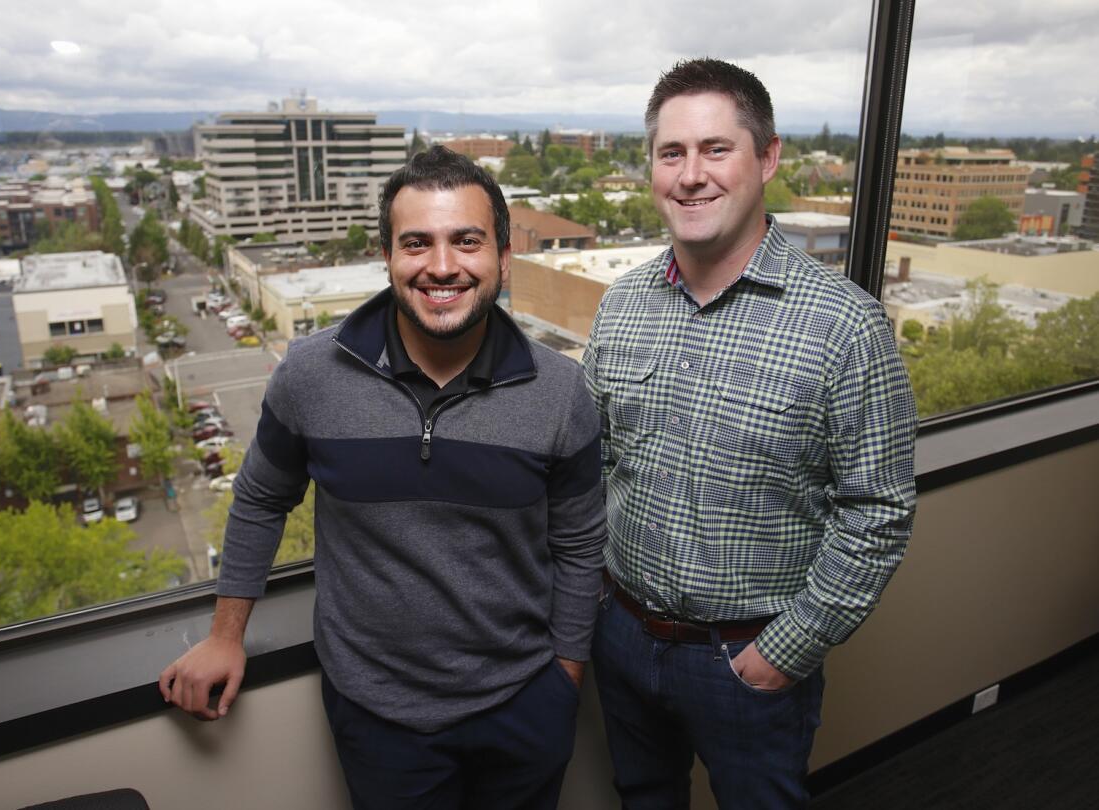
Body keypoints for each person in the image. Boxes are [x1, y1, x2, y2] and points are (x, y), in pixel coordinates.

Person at [160, 145, 607, 810]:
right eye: (417, 243)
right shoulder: (311, 375)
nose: (442, 266)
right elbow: (259, 498)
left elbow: (579, 546)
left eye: (467, 241)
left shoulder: (561, 391)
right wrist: (227, 636)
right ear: (389, 257)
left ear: (504, 260)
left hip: (523, 706)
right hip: (378, 716)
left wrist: (563, 679)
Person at [583, 58, 917, 809]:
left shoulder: (844, 327)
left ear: (767, 159)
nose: (691, 175)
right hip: (624, 636)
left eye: (715, 149)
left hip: (746, 657)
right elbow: (596, 461)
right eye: (672, 154)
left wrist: (782, 653)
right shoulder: (623, 305)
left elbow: (877, 511)